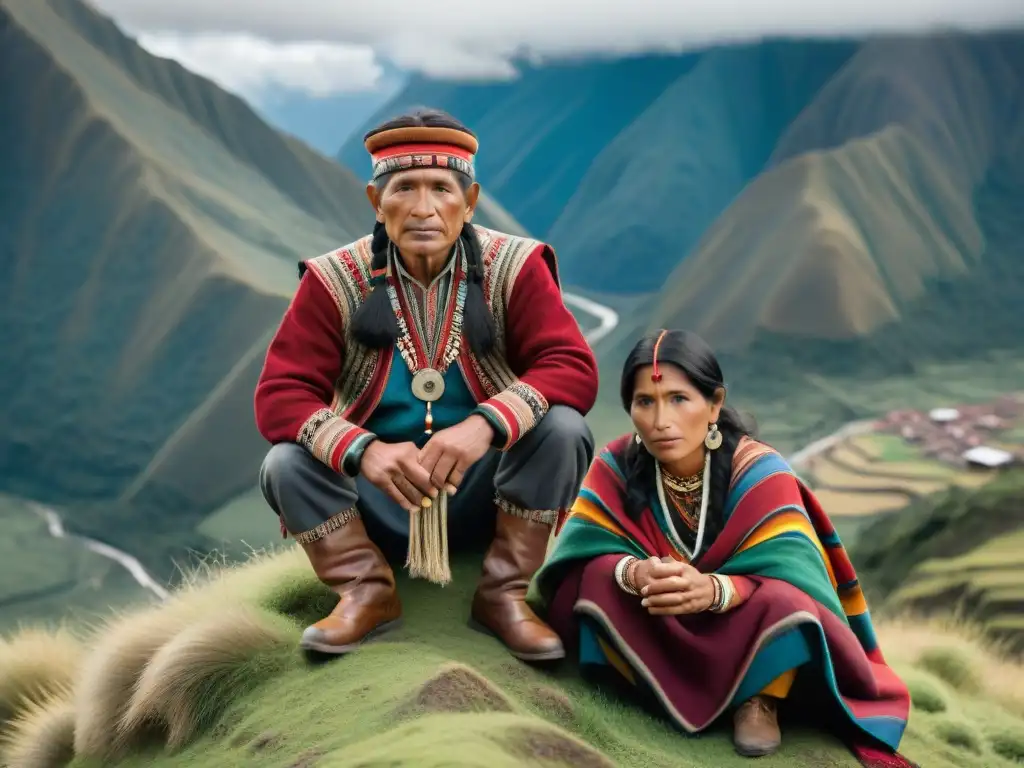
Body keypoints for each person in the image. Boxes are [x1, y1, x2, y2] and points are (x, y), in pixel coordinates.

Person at [254, 108, 598, 662]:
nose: (422, 208)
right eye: (403, 188)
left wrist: (485, 427)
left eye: (441, 188)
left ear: (470, 200)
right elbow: (280, 394)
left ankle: (503, 592)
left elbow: (571, 365)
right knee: (285, 463)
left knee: (563, 428)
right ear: (375, 200)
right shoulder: (333, 280)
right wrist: (362, 451)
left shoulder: (516, 266)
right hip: (376, 503)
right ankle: (365, 590)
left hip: (486, 493)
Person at [528, 330, 916, 767]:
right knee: (593, 576)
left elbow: (792, 567)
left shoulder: (761, 470)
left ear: (713, 405)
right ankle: (646, 682)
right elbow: (582, 546)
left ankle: (759, 696)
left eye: (678, 399)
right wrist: (634, 574)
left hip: (739, 622)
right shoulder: (616, 465)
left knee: (787, 601)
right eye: (645, 402)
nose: (660, 421)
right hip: (655, 614)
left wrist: (715, 591)